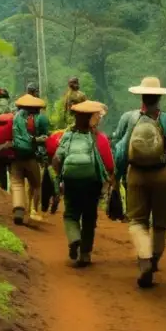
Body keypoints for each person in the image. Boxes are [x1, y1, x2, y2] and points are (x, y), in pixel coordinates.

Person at [113, 76, 166, 288]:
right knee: (160, 221)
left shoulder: (133, 119)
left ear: (142, 98)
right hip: (163, 174)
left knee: (137, 220)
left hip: (136, 175)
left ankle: (143, 259)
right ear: (159, 98)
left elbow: (120, 151)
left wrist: (116, 176)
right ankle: (154, 258)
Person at [52, 99, 114, 267]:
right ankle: (85, 254)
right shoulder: (99, 138)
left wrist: (60, 176)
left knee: (71, 213)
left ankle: (74, 239)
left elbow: (57, 159)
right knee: (89, 216)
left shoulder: (68, 136)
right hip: (91, 182)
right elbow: (109, 164)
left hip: (71, 181)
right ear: (93, 118)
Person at [9, 92, 50, 225]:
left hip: (16, 156)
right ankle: (33, 210)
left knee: (17, 183)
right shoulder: (41, 118)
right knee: (36, 184)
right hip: (32, 157)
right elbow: (45, 137)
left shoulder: (15, 117)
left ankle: (19, 209)